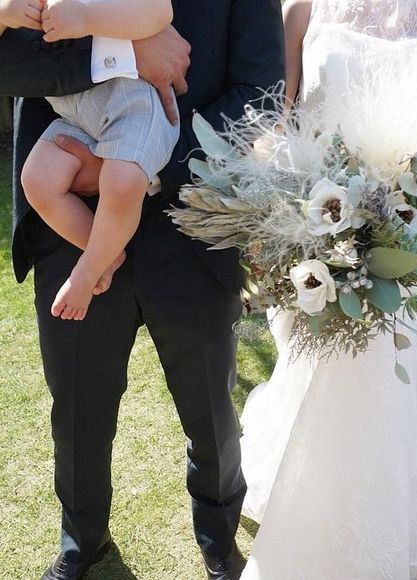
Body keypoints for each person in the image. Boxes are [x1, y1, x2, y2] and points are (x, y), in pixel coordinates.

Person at [0, 2, 284, 579]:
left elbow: (259, 93)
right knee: (77, 402)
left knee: (208, 405)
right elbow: (9, 62)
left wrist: (138, 163)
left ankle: (218, 537)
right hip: (74, 224)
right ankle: (82, 540)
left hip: (193, 221)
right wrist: (121, 52)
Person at [240, 1, 417, 578]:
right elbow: (277, 118)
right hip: (313, 227)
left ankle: (385, 523)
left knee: (390, 384)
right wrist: (276, 197)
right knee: (320, 372)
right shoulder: (303, 6)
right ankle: (312, 504)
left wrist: (397, 207)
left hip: (409, 232)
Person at [7, 0, 180, 322]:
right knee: (38, 179)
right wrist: (4, 13)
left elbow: (159, 11)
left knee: (122, 180)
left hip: (134, 105)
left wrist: (87, 17)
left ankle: (85, 274)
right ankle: (105, 254)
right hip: (77, 115)